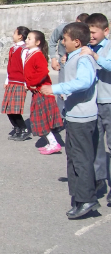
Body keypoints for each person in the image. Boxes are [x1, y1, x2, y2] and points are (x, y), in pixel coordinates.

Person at [40, 22, 100, 219]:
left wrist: (56, 89)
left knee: (82, 159)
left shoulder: (83, 58)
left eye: (64, 39)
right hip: (74, 116)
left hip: (83, 118)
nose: (62, 43)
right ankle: (78, 198)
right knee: (73, 158)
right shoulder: (74, 56)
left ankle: (87, 198)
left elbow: (84, 82)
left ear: (76, 41)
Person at [81, 13, 111, 202]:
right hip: (93, 103)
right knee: (96, 144)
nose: (90, 36)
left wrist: (94, 55)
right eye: (88, 32)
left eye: (93, 32)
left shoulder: (105, 48)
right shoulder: (87, 48)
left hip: (108, 101)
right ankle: (99, 179)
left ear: (105, 31)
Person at [24, 30, 64, 155]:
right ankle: (50, 142)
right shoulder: (31, 53)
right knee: (40, 118)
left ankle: (53, 143)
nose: (26, 40)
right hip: (37, 91)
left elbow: (42, 72)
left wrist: (32, 84)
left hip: (42, 91)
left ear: (37, 42)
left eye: (29, 38)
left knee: (40, 118)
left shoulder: (38, 55)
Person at [49, 13, 90, 110]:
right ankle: (60, 118)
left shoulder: (85, 33)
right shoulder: (63, 28)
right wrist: (53, 59)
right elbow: (52, 41)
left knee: (74, 89)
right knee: (62, 90)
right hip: (64, 63)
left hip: (77, 60)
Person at [2, 27, 31, 141]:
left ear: (20, 36)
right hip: (12, 81)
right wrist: (7, 80)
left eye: (15, 33)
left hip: (19, 82)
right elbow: (10, 67)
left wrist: (26, 82)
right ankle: (17, 128)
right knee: (8, 108)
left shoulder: (24, 49)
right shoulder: (13, 48)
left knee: (15, 109)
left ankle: (23, 129)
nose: (13, 35)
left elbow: (25, 66)